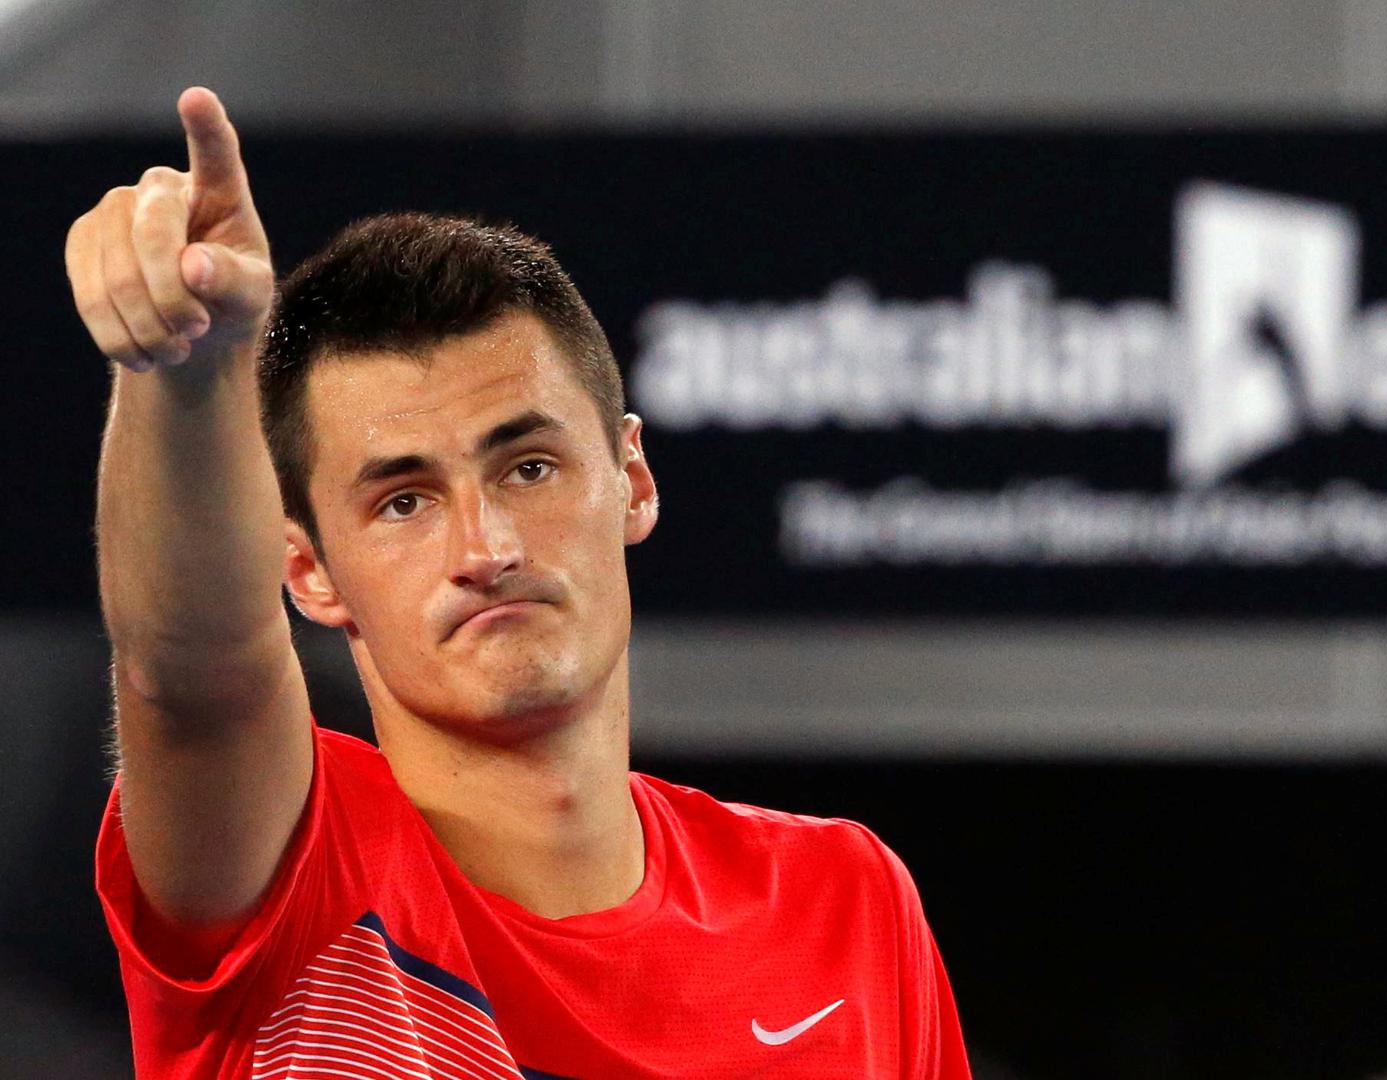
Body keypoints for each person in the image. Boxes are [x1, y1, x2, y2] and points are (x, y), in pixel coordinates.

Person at [65, 86, 970, 1080]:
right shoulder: (286, 867)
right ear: (310, 573)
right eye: (403, 501)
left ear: (631, 480)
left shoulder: (842, 900)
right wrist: (188, 371)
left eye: (527, 468)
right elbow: (191, 676)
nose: (485, 546)